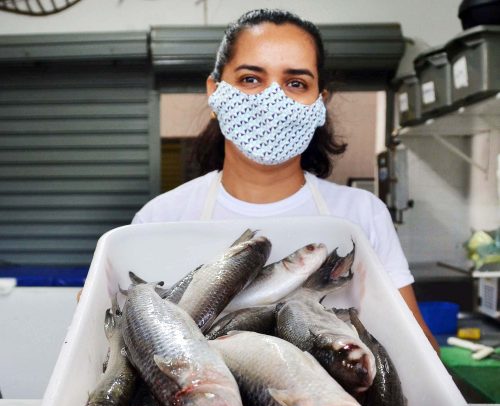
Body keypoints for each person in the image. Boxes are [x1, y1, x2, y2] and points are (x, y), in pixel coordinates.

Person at [132, 9, 440, 353]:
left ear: (320, 103)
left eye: (296, 83)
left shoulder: (363, 214)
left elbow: (419, 351)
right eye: (251, 79)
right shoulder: (160, 218)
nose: (272, 101)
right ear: (214, 92)